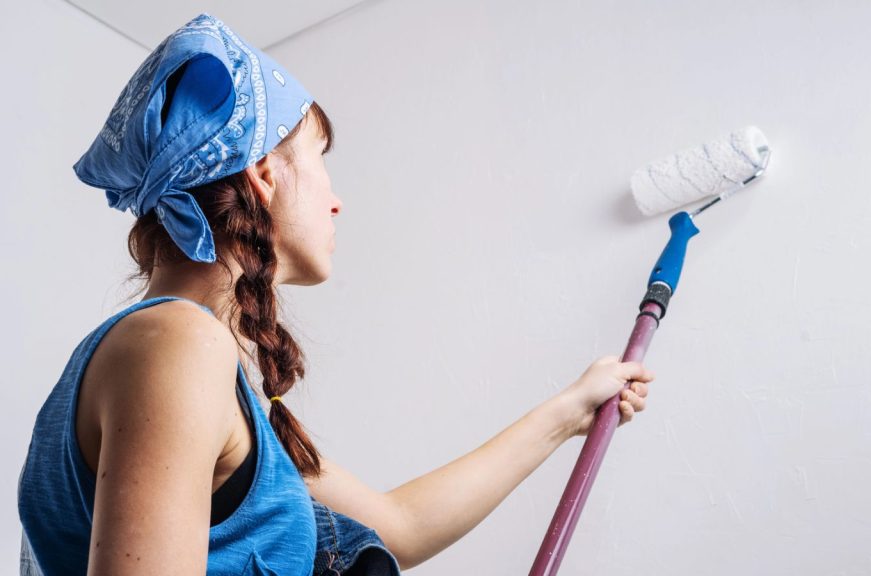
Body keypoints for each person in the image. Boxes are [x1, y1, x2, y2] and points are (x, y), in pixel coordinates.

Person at [17, 13, 654, 576]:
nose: (337, 198)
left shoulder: (200, 370)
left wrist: (571, 410)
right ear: (263, 175)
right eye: (320, 153)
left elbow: (395, 526)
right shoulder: (177, 348)